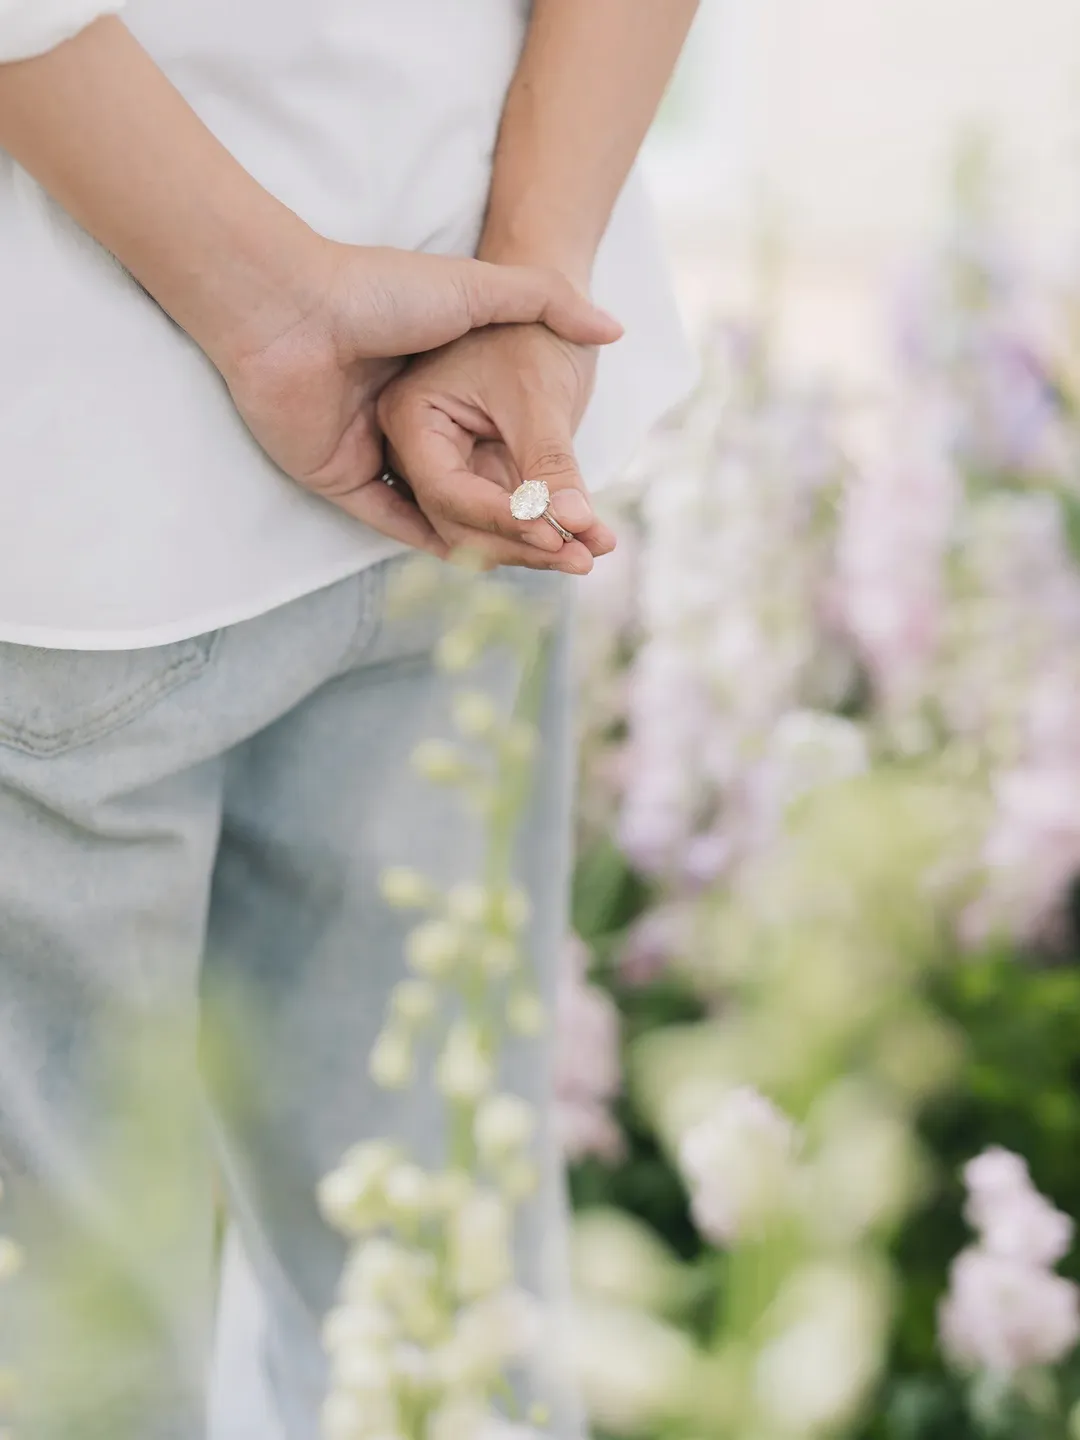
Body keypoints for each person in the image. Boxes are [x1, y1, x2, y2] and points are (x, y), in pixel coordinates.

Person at [0, 2, 698, 1434]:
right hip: (473, 417)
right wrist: (531, 283)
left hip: (77, 474)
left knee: (74, 1359)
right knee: (433, 1315)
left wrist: (278, 308)